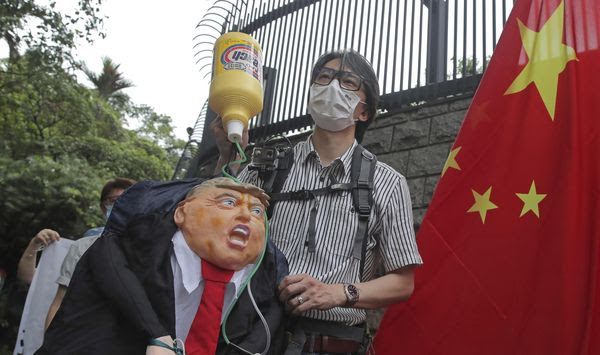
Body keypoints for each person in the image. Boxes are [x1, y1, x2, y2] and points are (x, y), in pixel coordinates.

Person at [212, 49, 423, 354]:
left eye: (348, 81)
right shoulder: (266, 165)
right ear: (311, 94)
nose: (332, 86)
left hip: (332, 341)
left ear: (364, 111)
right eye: (324, 77)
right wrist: (227, 155)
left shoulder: (388, 183)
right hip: (252, 334)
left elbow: (403, 283)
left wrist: (339, 293)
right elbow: (214, 228)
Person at [36, 177, 286, 355]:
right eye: (228, 203)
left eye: (256, 211)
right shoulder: (125, 254)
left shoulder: (264, 281)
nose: (246, 216)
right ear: (181, 213)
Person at [44, 177, 136, 328]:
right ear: (103, 207)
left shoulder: (149, 252)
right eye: (113, 200)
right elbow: (60, 300)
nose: (120, 205)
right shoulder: (83, 245)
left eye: (127, 199)